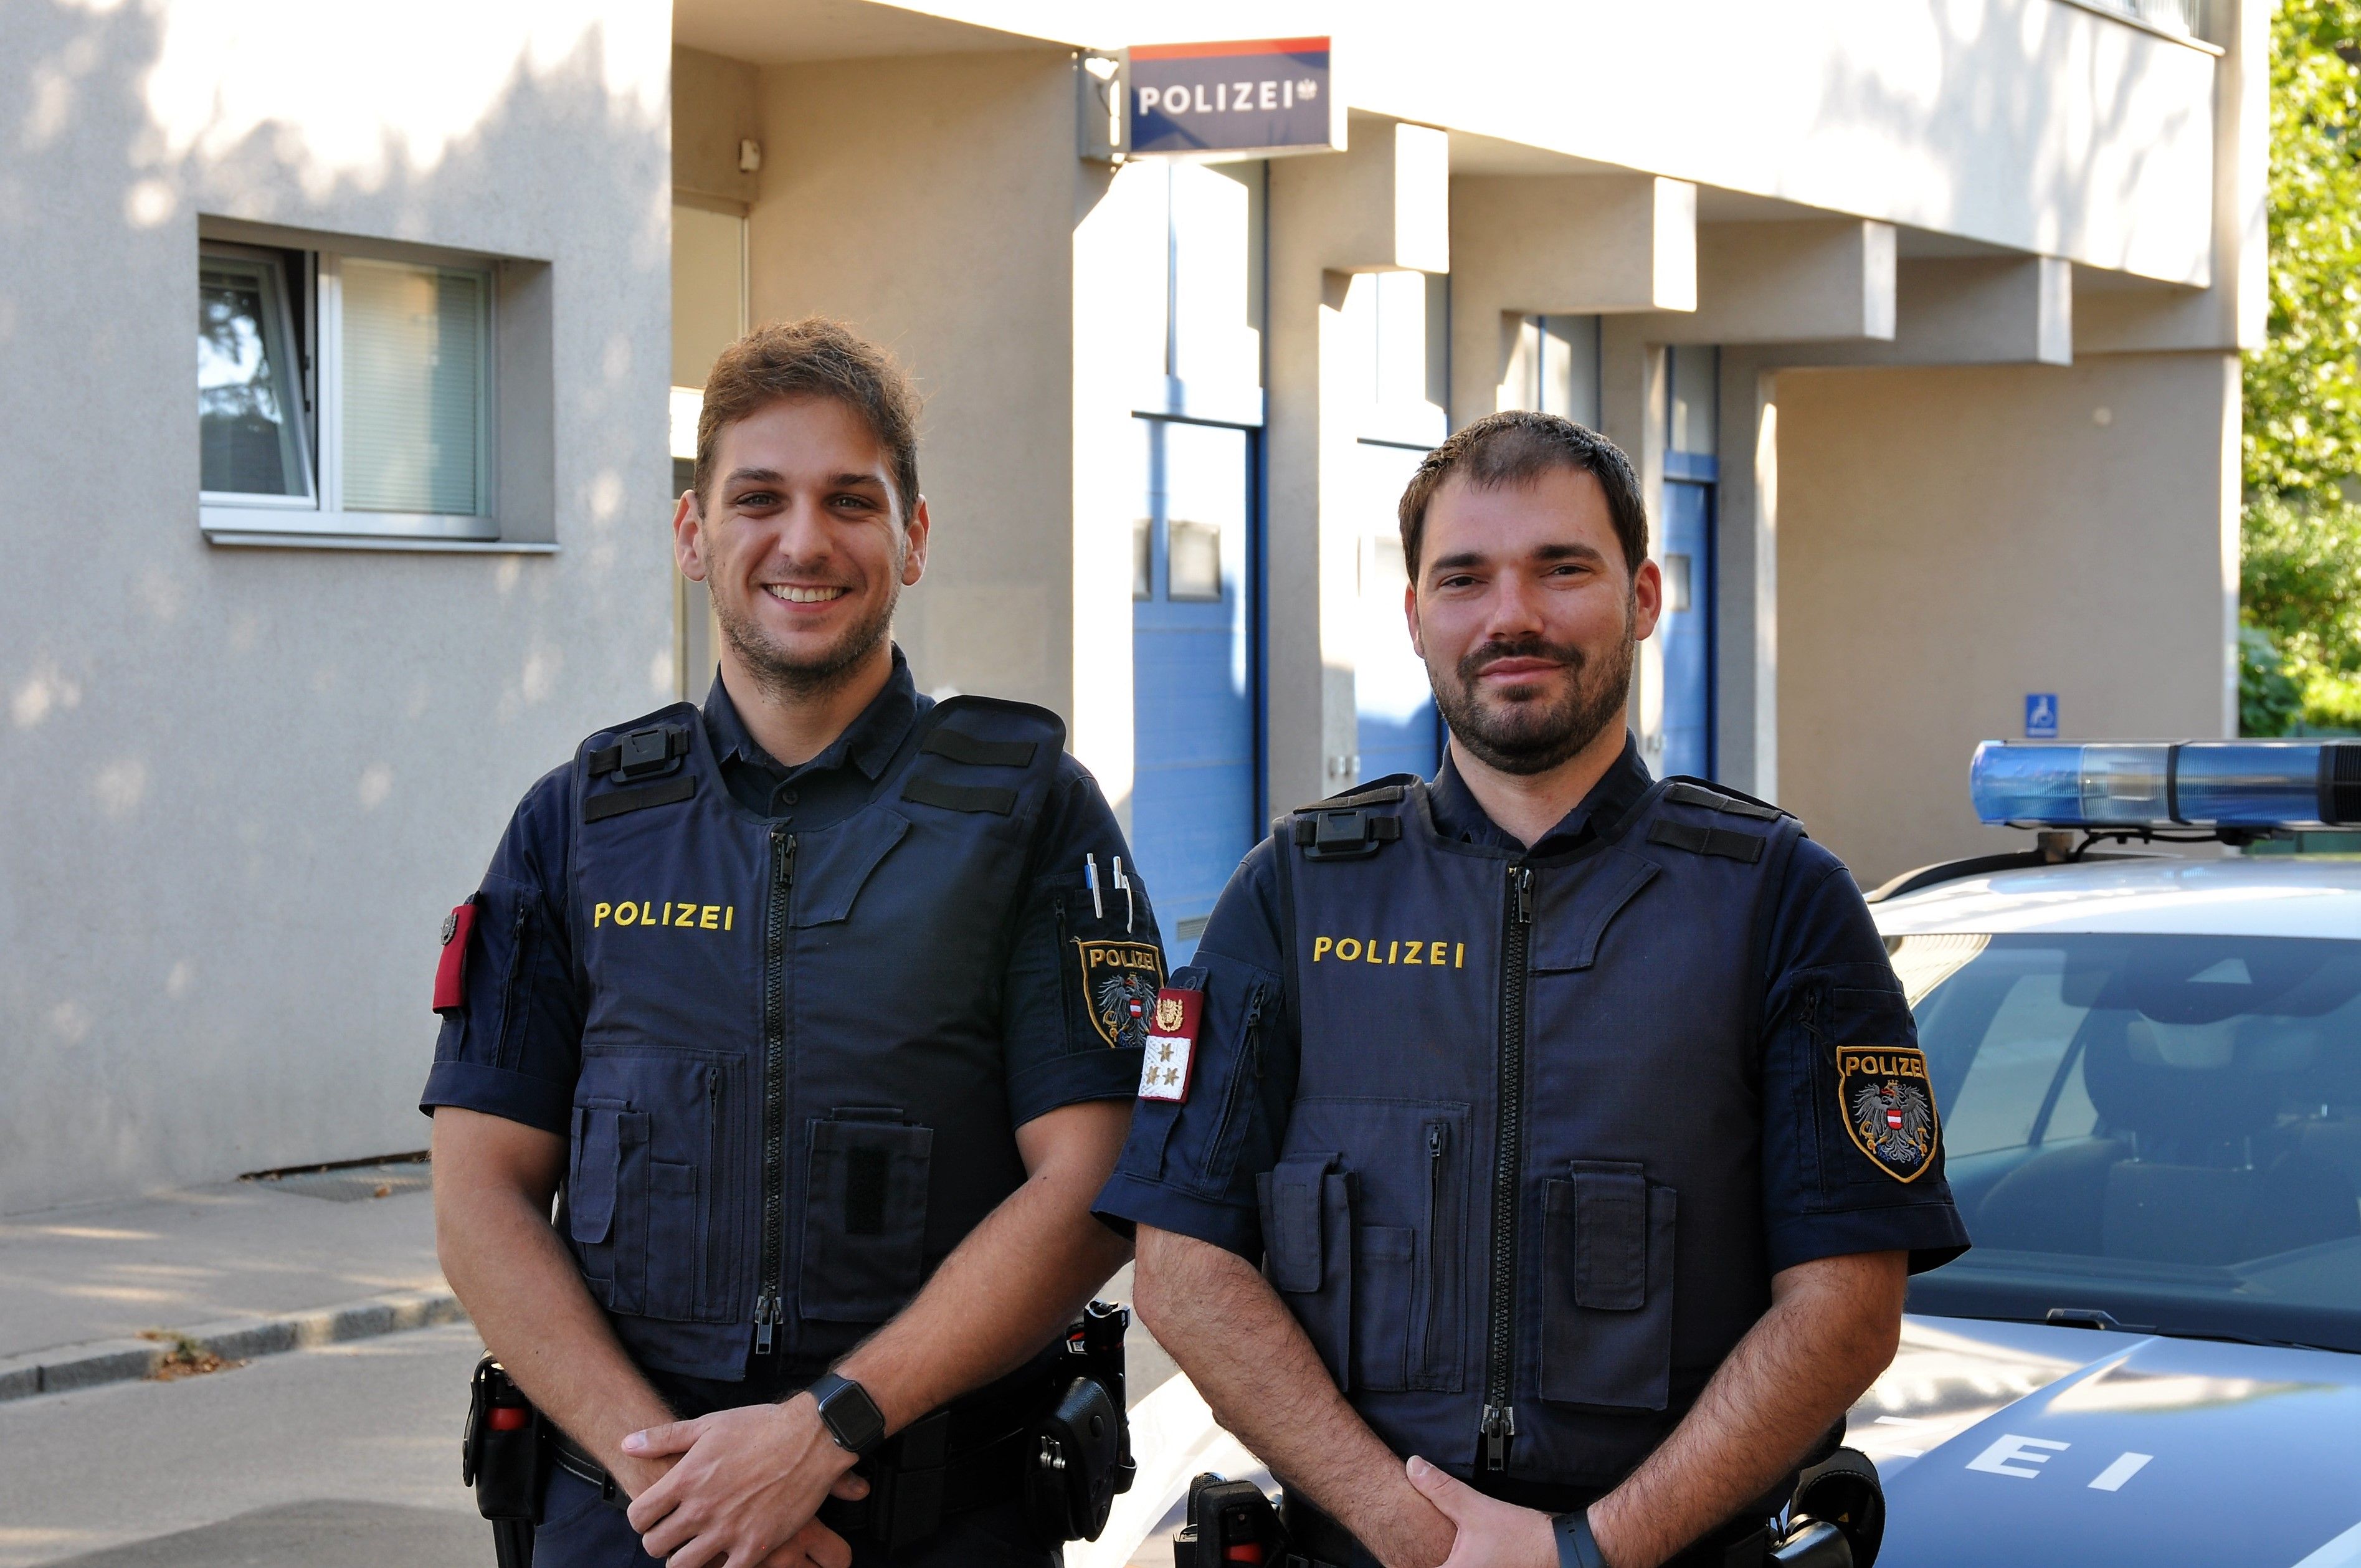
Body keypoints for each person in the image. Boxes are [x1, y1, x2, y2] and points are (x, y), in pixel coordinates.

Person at [1096, 411, 1969, 1568]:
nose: (1510, 616)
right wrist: (1416, 1535)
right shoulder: (1294, 894)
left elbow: (1846, 1306)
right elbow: (1183, 1271)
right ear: (1414, 616)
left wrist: (1585, 1550)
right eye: (1463, 578)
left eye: (1561, 569)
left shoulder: (1779, 899)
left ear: (1643, 597)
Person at [424, 318, 1161, 1568]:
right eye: (757, 498)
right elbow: (479, 1193)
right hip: (632, 1522)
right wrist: (682, 1489)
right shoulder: (581, 821)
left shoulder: (1030, 812)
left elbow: (1092, 1180)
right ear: (691, 533)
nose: (804, 541)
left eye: (850, 501)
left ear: (911, 537)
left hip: (935, 1527)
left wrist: (817, 1435)